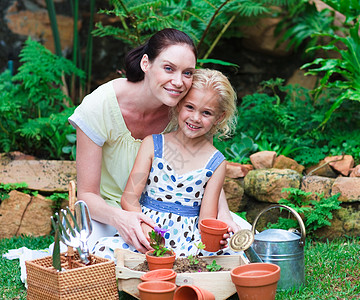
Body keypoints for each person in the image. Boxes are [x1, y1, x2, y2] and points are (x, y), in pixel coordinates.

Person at [68, 28, 249, 255]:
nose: (178, 82)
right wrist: (124, 219)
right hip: (107, 213)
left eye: (188, 73)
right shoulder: (99, 106)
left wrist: (222, 217)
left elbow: (205, 170)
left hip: (182, 220)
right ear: (146, 63)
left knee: (240, 238)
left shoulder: (188, 112)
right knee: (81, 251)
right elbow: (86, 195)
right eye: (168, 68)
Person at [92, 68, 245, 259]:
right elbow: (129, 198)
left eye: (206, 113)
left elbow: (206, 219)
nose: (195, 118)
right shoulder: (153, 144)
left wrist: (216, 235)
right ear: (179, 105)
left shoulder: (216, 162)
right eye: (190, 107)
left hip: (189, 241)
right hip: (147, 231)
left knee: (230, 255)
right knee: (102, 250)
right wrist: (148, 232)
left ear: (219, 118)